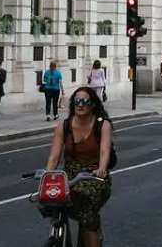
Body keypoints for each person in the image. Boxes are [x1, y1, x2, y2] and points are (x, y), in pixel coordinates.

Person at [45, 87, 113, 247]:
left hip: (94, 176)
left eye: (85, 101)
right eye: (77, 101)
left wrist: (102, 168)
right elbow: (54, 156)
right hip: (71, 177)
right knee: (51, 199)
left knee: (87, 214)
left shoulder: (102, 125)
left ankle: (93, 229)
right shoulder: (65, 126)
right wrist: (48, 174)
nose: (80, 105)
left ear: (93, 105)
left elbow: (104, 151)